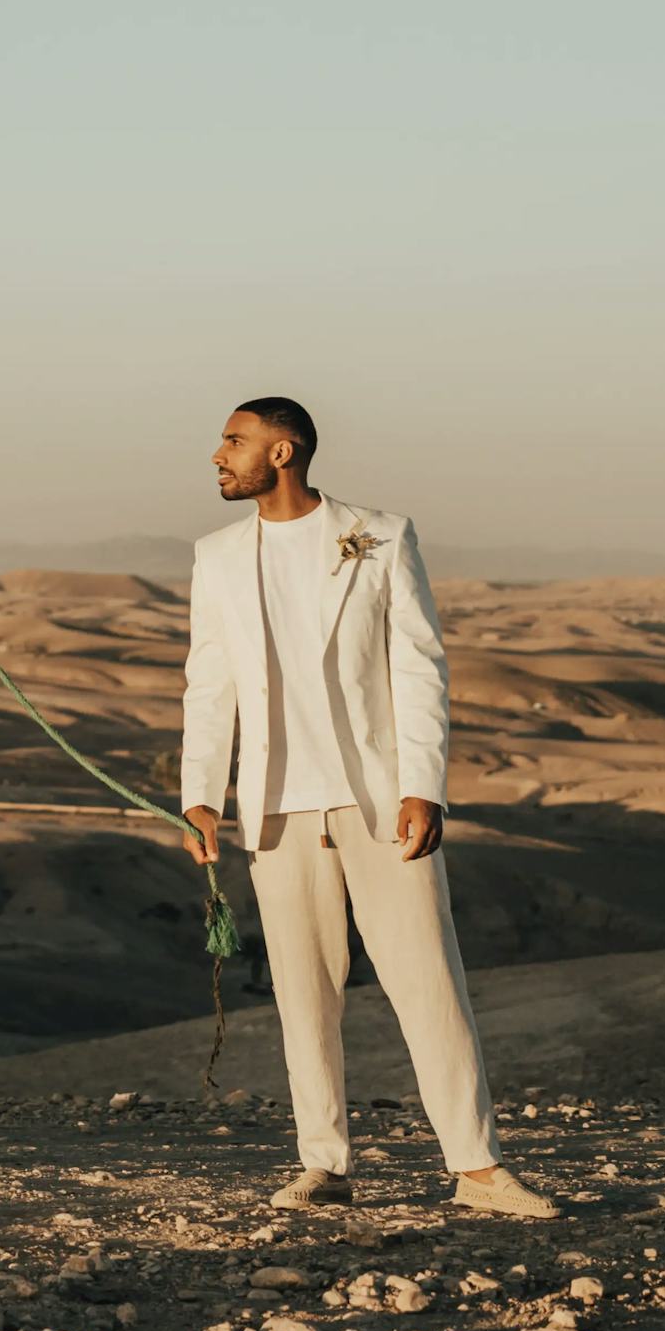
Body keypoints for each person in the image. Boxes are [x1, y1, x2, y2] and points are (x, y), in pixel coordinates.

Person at [178, 397, 555, 1218]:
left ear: (284, 451)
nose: (217, 454)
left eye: (234, 440)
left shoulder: (381, 534)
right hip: (276, 802)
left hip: (379, 795)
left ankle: (479, 1168)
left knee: (427, 976)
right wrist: (200, 795)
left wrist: (425, 782)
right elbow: (209, 684)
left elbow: (420, 665)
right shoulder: (214, 556)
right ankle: (324, 1164)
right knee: (302, 991)